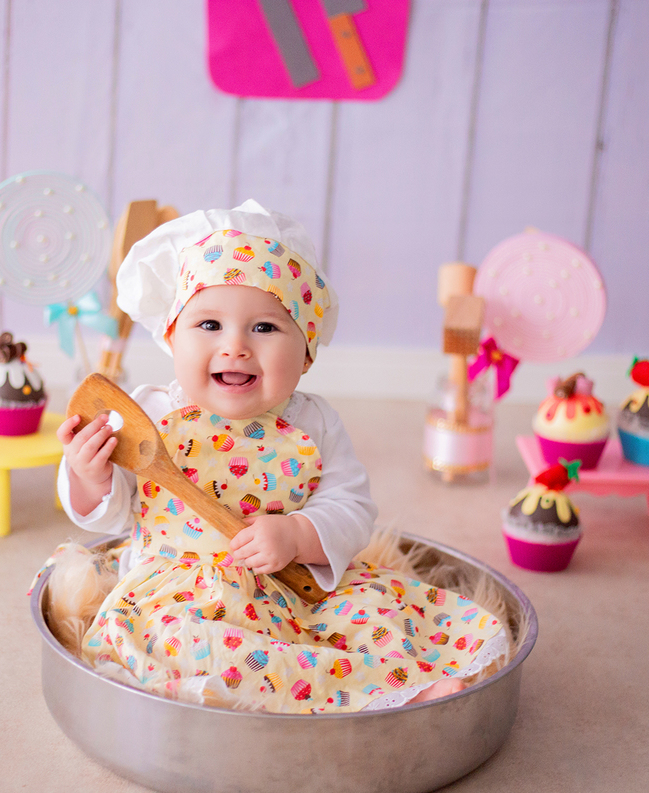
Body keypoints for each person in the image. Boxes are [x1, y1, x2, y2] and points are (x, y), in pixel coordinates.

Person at [55, 201, 507, 713]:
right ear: (170, 337)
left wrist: (298, 535)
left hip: (294, 583)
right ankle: (256, 697)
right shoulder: (152, 413)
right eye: (208, 325)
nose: (235, 347)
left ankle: (402, 691)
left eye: (265, 328)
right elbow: (110, 512)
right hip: (181, 591)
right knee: (186, 642)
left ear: (307, 352)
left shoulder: (313, 423)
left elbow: (350, 507)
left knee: (374, 617)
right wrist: (89, 475)